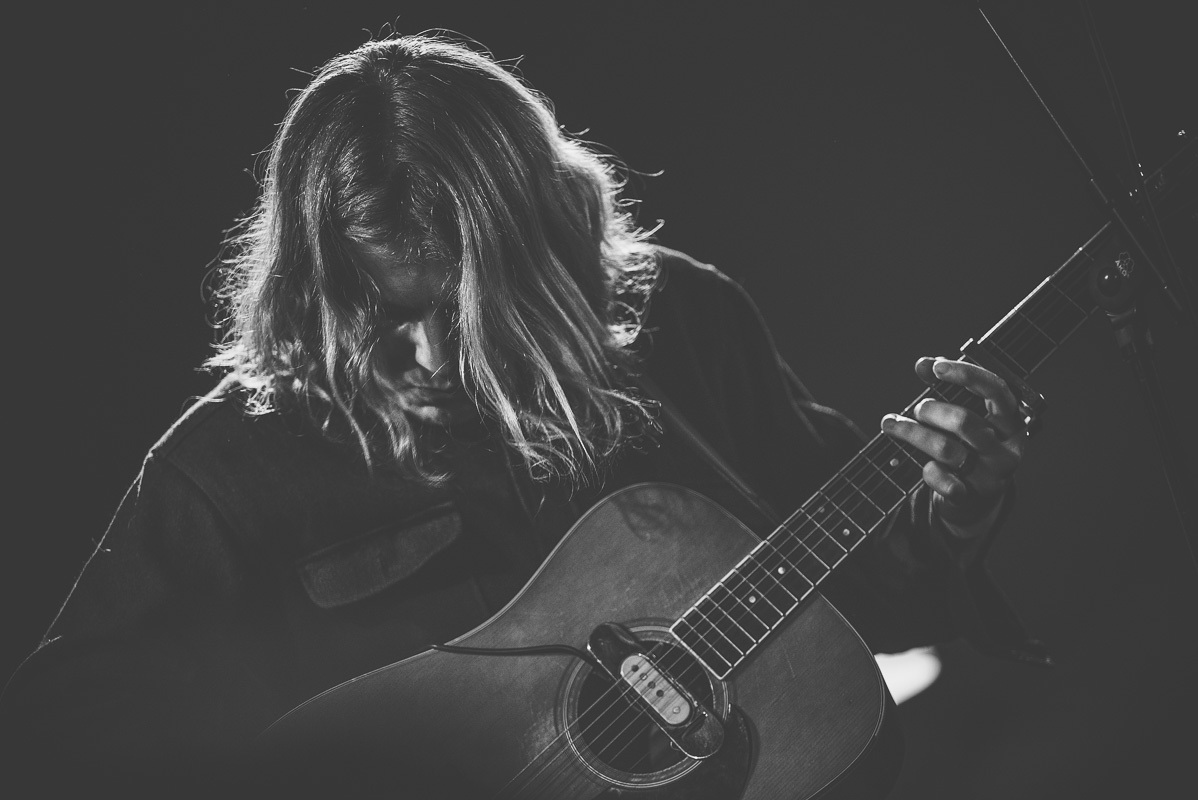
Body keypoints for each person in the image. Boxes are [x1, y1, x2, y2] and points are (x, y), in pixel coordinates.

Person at [0, 33, 1044, 795]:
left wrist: (949, 509)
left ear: (549, 258)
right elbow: (59, 744)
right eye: (379, 312)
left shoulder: (679, 324)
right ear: (316, 282)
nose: (418, 350)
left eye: (461, 314)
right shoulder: (227, 468)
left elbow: (857, 618)